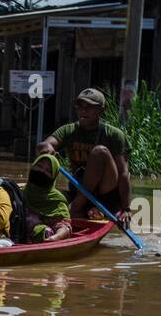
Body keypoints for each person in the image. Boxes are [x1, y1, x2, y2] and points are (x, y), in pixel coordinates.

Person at [37, 88, 132, 223]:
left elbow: (123, 174)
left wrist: (126, 208)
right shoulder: (68, 130)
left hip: (105, 192)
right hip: (79, 188)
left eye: (89, 107)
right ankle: (79, 206)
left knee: (100, 151)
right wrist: (46, 147)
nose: (83, 111)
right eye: (80, 106)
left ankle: (77, 206)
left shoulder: (114, 135)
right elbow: (47, 144)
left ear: (101, 110)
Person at [22, 153, 72, 242]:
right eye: (40, 166)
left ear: (53, 178)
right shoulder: (20, 193)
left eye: (48, 171)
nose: (42, 171)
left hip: (42, 240)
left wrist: (54, 238)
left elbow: (64, 227)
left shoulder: (57, 200)